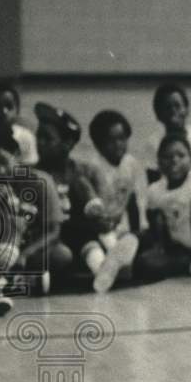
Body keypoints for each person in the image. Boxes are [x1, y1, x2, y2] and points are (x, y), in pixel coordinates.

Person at [34, 102, 113, 291]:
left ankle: (105, 266)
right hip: (48, 239)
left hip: (81, 235)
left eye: (47, 138)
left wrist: (100, 219)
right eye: (38, 136)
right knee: (63, 254)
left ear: (67, 144)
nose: (39, 143)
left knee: (94, 240)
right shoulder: (33, 175)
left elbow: (101, 210)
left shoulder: (85, 172)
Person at [0, 122, 66, 314]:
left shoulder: (41, 182)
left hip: (29, 252)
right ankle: (5, 285)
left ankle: (2, 283)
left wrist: (25, 254)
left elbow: (54, 232)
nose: (2, 170)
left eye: (4, 162)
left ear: (16, 156)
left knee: (62, 255)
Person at [137, 134, 191, 283]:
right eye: (167, 157)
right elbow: (156, 226)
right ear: (158, 162)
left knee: (149, 266)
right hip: (177, 249)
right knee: (143, 264)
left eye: (181, 155)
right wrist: (158, 249)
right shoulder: (154, 190)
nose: (174, 161)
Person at [85, 109, 144, 293]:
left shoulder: (132, 164)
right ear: (98, 144)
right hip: (99, 228)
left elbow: (135, 200)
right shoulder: (92, 166)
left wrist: (138, 229)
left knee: (135, 239)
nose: (118, 145)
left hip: (121, 229)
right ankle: (108, 265)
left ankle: (113, 261)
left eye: (122, 138)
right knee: (96, 245)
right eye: (111, 140)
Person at [147, 83, 191, 177]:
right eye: (167, 107)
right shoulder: (154, 143)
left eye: (177, 106)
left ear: (186, 109)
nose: (173, 111)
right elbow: (153, 179)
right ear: (158, 114)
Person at [0, 79, 38, 165]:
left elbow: (31, 170)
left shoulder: (25, 137)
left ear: (17, 110)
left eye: (9, 106)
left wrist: (12, 165)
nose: (3, 111)